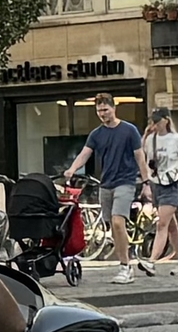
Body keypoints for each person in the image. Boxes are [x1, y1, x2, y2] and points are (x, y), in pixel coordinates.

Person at [64, 95, 152, 281]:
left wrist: (146, 183)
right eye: (99, 111)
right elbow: (85, 154)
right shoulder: (96, 134)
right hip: (106, 184)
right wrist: (72, 169)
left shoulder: (129, 130)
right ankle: (126, 260)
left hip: (126, 182)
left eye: (105, 110)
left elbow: (140, 157)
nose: (102, 114)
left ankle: (125, 267)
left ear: (114, 108)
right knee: (113, 226)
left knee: (118, 222)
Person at [143, 113, 178, 273]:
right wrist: (146, 134)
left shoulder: (176, 139)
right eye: (151, 121)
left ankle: (152, 261)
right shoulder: (150, 139)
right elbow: (142, 156)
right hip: (157, 184)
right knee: (172, 226)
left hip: (173, 184)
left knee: (162, 224)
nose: (154, 124)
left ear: (166, 120)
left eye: (157, 121)